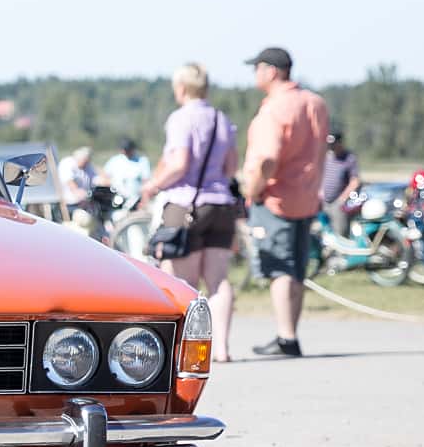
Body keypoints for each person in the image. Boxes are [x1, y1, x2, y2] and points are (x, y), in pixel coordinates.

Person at [139, 62, 239, 361]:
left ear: (181, 88)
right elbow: (231, 167)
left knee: (182, 283)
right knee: (219, 280)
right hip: (221, 205)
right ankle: (221, 348)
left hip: (186, 205)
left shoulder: (181, 119)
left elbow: (179, 162)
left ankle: (183, 351)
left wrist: (153, 186)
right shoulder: (222, 120)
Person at [240, 46, 329, 358]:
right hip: (306, 198)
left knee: (279, 268)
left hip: (276, 199)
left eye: (257, 68)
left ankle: (285, 336)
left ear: (271, 71)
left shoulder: (275, 109)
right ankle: (290, 332)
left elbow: (267, 158)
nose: (255, 74)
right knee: (297, 269)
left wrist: (252, 190)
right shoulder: (315, 103)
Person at [320, 128, 362, 237]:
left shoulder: (349, 158)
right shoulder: (326, 157)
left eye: (333, 144)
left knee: (340, 232)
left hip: (338, 203)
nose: (331, 147)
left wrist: (342, 199)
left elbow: (355, 181)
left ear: (340, 143)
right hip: (323, 202)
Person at [57, 146, 102, 236]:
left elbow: (97, 178)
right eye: (85, 161)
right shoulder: (67, 164)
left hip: (84, 205)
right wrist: (84, 195)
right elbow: (71, 185)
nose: (87, 163)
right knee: (82, 223)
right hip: (69, 205)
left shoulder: (87, 166)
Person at [102, 140, 151, 209]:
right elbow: (104, 176)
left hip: (135, 199)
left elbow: (146, 182)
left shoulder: (142, 161)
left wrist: (145, 199)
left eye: (127, 149)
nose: (125, 151)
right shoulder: (115, 160)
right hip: (116, 200)